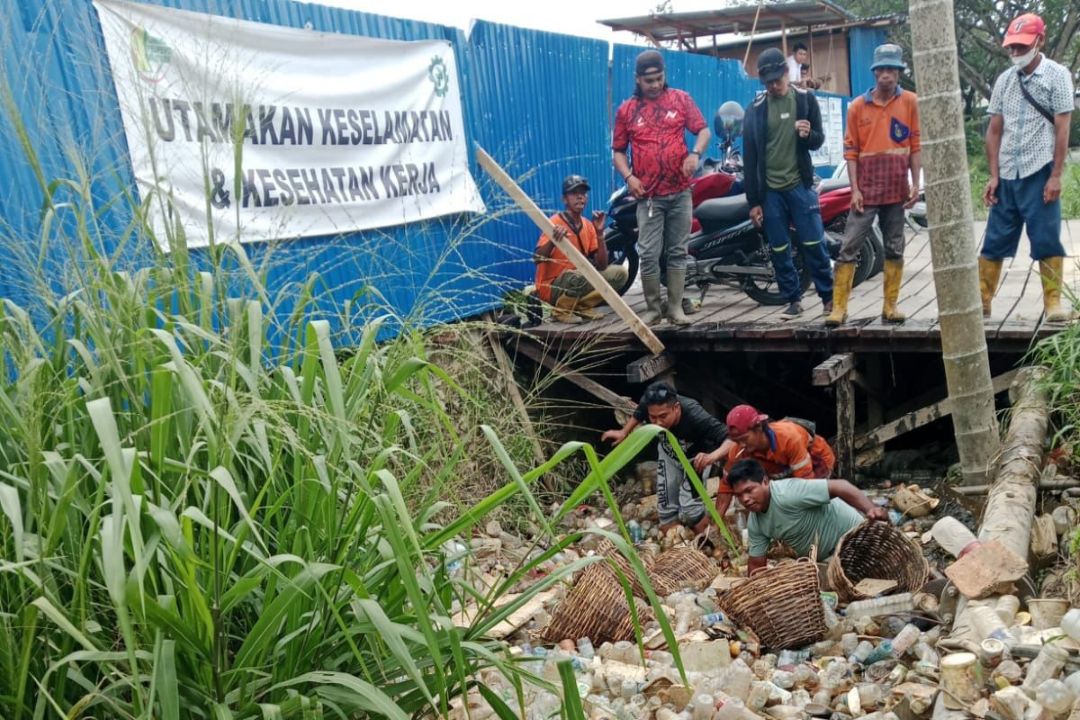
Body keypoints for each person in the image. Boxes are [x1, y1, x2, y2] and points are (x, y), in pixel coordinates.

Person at [979, 13, 1075, 323]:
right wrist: (993, 175)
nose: (1016, 52)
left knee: (1046, 237)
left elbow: (1062, 129)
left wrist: (1056, 176)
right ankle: (982, 301)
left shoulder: (1057, 75)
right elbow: (994, 131)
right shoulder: (1005, 80)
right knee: (994, 240)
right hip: (1008, 172)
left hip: (1040, 170)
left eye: (1022, 46)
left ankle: (1053, 302)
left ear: (1040, 41)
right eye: (1012, 47)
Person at [613, 50, 711, 326]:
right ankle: (654, 309)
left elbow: (703, 131)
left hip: (680, 192)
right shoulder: (627, 110)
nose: (655, 84)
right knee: (648, 254)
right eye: (649, 80)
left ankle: (676, 308)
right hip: (649, 198)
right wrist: (629, 177)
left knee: (678, 251)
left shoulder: (681, 99)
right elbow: (618, 151)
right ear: (638, 79)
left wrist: (695, 154)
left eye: (659, 78)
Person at [826, 44, 922, 328]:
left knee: (895, 247)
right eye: (881, 69)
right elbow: (851, 152)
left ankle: (890, 307)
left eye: (891, 69)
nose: (886, 75)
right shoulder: (858, 107)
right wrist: (855, 189)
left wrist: (915, 183)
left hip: (896, 189)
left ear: (899, 72)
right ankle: (839, 308)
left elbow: (915, 146)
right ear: (874, 73)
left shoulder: (911, 102)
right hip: (866, 190)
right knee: (848, 246)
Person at [744, 47, 834, 318]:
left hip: (800, 186)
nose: (773, 86)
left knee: (814, 243)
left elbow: (818, 140)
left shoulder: (806, 100)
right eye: (768, 82)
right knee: (779, 248)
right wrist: (754, 202)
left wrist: (808, 135)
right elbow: (750, 157)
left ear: (786, 72)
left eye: (777, 80)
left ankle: (829, 299)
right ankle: (793, 299)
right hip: (770, 192)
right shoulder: (755, 109)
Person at [601, 382, 734, 533]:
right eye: (653, 417)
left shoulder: (695, 415)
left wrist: (711, 457)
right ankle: (676, 542)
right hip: (668, 452)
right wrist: (624, 432)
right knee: (666, 509)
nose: (658, 423)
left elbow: (730, 438)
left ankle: (709, 539)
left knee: (691, 509)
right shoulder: (650, 403)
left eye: (663, 416)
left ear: (676, 408)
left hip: (695, 459)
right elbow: (641, 410)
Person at [727, 459, 888, 575]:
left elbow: (841, 486)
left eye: (749, 490)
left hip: (857, 540)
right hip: (829, 561)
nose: (745, 499)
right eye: (739, 495)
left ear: (765, 481)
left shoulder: (788, 493)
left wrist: (871, 509)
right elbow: (756, 565)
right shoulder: (755, 523)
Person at [707, 404, 835, 518]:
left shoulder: (789, 439)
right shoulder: (738, 449)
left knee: (814, 505)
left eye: (744, 439)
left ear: (758, 428)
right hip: (783, 472)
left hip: (815, 463)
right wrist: (716, 522)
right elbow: (726, 485)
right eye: (736, 441)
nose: (741, 445)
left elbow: (806, 484)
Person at [534, 175, 629, 323]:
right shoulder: (554, 223)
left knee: (620, 274)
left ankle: (580, 307)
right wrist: (553, 240)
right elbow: (537, 258)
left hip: (579, 279)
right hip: (552, 287)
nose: (580, 197)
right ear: (564, 199)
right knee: (580, 274)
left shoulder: (588, 225)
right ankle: (561, 311)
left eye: (583, 193)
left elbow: (602, 265)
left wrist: (599, 234)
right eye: (574, 193)